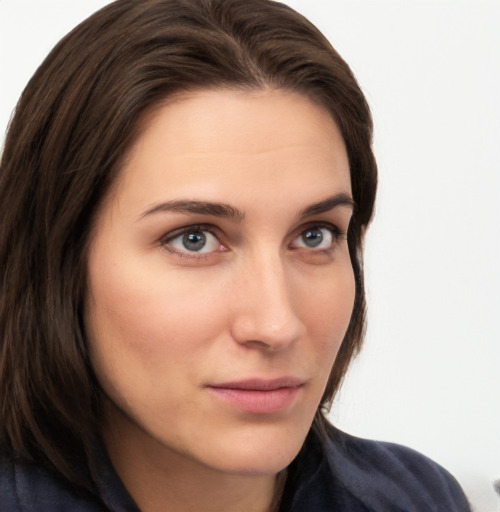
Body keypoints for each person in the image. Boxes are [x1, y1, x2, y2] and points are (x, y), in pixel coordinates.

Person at [0, 0, 472, 511]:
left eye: (314, 235)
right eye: (194, 239)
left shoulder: (418, 499)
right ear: (59, 261)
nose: (277, 324)